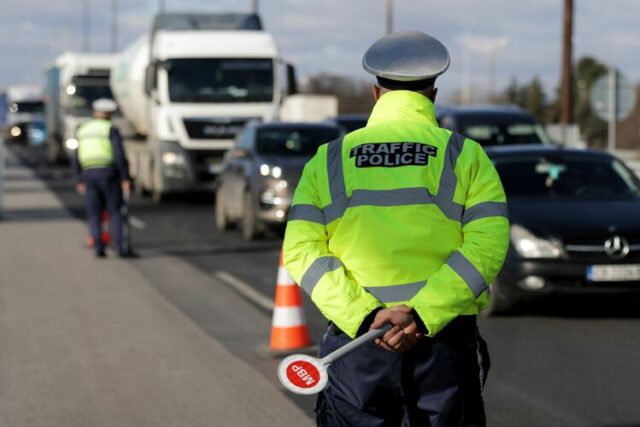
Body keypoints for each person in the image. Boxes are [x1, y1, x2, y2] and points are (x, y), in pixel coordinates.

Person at [283, 30, 510, 426]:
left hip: (357, 347)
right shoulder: (465, 155)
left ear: (376, 94)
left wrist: (365, 316)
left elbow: (301, 251)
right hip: (443, 348)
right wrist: (420, 316)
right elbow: (486, 247)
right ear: (432, 95)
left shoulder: (329, 160)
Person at [72, 98, 132, 258]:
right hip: (108, 173)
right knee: (115, 212)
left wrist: (78, 178)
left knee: (94, 213)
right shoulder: (110, 129)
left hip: (88, 174)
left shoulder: (83, 129)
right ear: (109, 114)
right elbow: (119, 155)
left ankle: (99, 246)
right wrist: (125, 177)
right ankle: (120, 247)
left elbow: (75, 156)